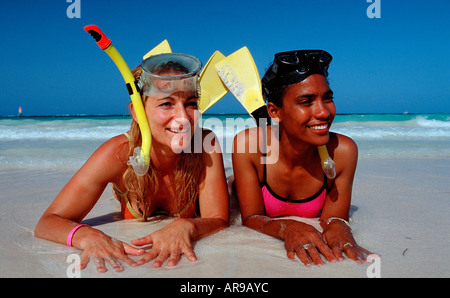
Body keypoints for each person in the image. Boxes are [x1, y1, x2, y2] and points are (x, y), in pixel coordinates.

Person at [35, 53, 229, 273]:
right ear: (137, 112)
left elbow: (219, 219)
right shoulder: (117, 154)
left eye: (191, 103)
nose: (183, 118)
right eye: (167, 103)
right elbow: (48, 222)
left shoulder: (204, 144)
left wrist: (187, 225)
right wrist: (88, 236)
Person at [232, 50, 372, 267]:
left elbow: (333, 218)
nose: (324, 112)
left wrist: (339, 226)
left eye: (327, 98)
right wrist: (287, 227)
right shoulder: (248, 147)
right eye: (306, 102)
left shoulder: (342, 152)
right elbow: (251, 218)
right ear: (274, 112)